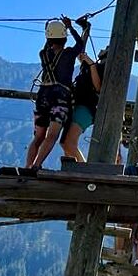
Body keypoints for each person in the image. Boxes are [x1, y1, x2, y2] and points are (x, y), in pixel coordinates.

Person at [26, 16, 90, 169]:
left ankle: (27, 166)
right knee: (52, 136)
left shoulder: (44, 54)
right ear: (64, 38)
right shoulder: (68, 54)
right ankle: (37, 165)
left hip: (43, 95)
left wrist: (50, 29)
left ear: (48, 38)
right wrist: (71, 27)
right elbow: (80, 44)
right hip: (60, 97)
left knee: (38, 136)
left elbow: (48, 42)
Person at [60, 44, 105, 162]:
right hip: (77, 106)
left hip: (86, 108)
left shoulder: (101, 68)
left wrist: (91, 64)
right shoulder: (89, 68)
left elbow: (98, 87)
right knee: (65, 144)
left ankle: (83, 170)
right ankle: (72, 171)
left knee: (69, 143)